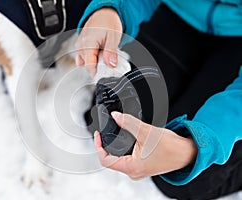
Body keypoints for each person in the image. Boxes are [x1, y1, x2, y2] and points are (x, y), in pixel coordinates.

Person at [75, 0, 242, 199]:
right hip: (179, 10)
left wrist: (192, 147)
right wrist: (112, 10)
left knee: (188, 177)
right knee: (117, 130)